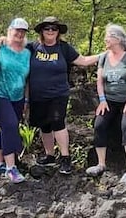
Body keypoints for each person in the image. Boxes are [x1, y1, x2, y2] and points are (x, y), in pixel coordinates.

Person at [26, 17, 98, 174]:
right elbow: (16, 50)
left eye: (54, 29)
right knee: (44, 125)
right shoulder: (33, 47)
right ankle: (49, 155)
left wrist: (107, 54)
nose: (50, 31)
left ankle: (65, 158)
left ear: (58, 32)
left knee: (58, 122)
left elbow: (84, 61)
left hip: (58, 94)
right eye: (47, 28)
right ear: (41, 31)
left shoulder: (64, 48)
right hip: (38, 95)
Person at [86, 24, 126, 183]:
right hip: (109, 99)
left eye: (108, 36)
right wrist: (102, 100)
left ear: (117, 39)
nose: (105, 39)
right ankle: (101, 164)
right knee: (99, 125)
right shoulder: (104, 57)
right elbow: (99, 82)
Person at [0, 18, 32, 184]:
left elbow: (27, 78)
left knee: (6, 127)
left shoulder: (28, 53)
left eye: (23, 31)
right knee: (10, 126)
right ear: (9, 30)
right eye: (17, 30)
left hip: (18, 97)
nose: (19, 34)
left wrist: (26, 100)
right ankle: (11, 168)